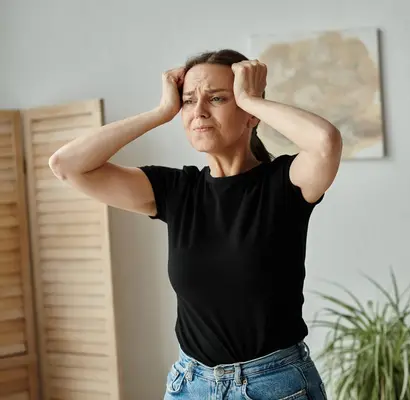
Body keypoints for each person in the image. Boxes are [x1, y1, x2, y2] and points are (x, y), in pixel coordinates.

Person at [48, 49, 342, 399]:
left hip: (274, 386)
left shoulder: (285, 184)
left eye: (217, 98)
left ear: (250, 115)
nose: (199, 111)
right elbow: (66, 165)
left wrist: (250, 97)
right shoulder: (178, 191)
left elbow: (325, 143)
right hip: (190, 384)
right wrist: (161, 112)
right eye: (189, 101)